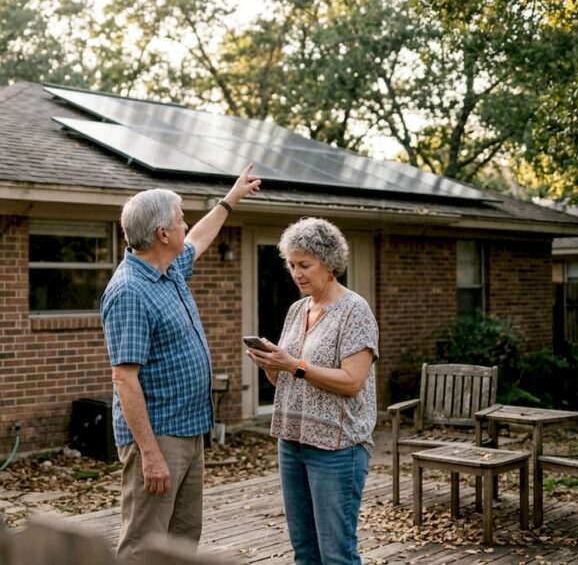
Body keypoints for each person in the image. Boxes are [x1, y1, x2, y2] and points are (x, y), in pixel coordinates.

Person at [101, 164, 262, 561]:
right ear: (162, 234)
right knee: (145, 543)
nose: (186, 225)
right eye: (180, 219)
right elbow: (124, 380)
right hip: (158, 438)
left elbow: (201, 238)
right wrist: (151, 455)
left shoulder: (167, 270)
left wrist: (230, 198)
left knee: (182, 539)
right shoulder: (130, 292)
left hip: (190, 430)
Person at [244, 217, 379, 565]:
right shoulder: (296, 310)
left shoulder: (354, 311)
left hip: (336, 448)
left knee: (336, 554)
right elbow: (284, 383)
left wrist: (294, 365)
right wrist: (272, 366)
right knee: (305, 551)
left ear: (330, 263)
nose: (296, 273)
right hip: (292, 443)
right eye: (291, 265)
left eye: (305, 264)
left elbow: (352, 382)